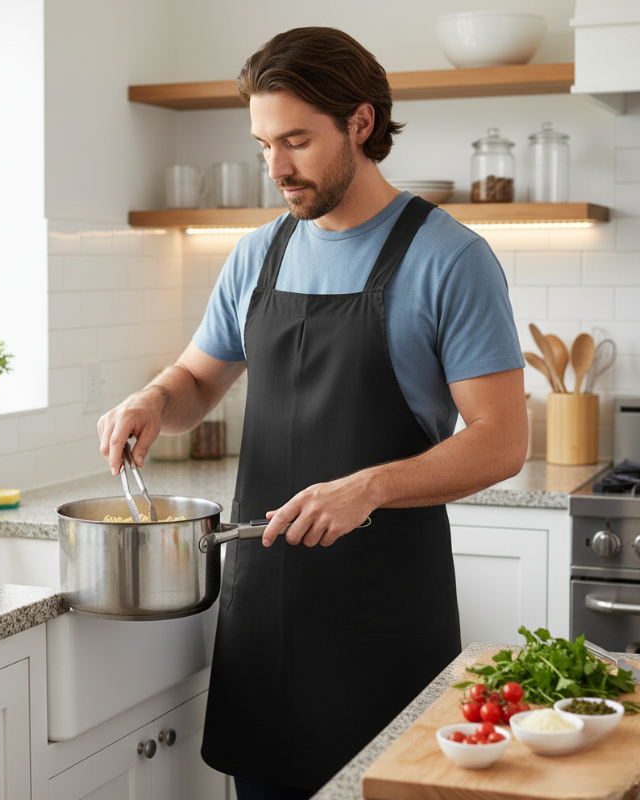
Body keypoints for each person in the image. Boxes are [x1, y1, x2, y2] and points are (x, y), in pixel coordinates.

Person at [98, 26, 527, 800]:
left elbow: (501, 443)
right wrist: (153, 400)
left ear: (361, 124)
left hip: (386, 614)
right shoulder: (258, 253)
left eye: (296, 140)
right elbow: (198, 381)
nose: (277, 168)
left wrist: (365, 487)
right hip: (264, 612)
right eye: (264, 143)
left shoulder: (450, 259)